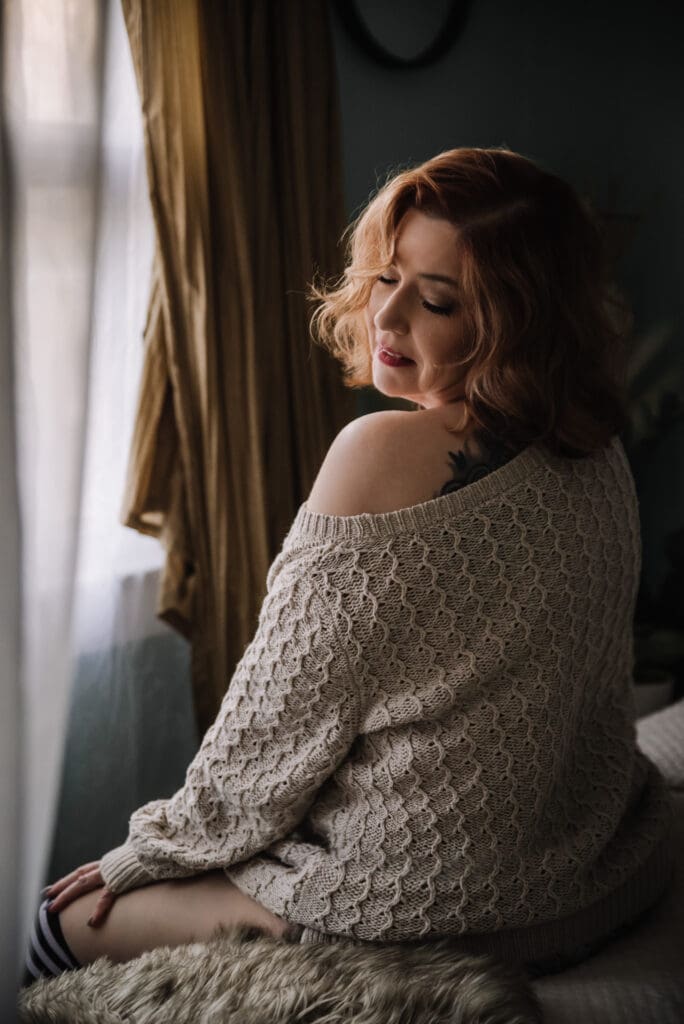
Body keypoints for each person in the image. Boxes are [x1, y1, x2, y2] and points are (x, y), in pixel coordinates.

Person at [26, 146, 673, 983]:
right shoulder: (597, 448)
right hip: (595, 882)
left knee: (49, 926)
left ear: (517, 320)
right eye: (385, 278)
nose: (387, 317)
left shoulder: (379, 451)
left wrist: (145, 852)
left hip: (415, 917)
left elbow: (272, 733)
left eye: (436, 300)